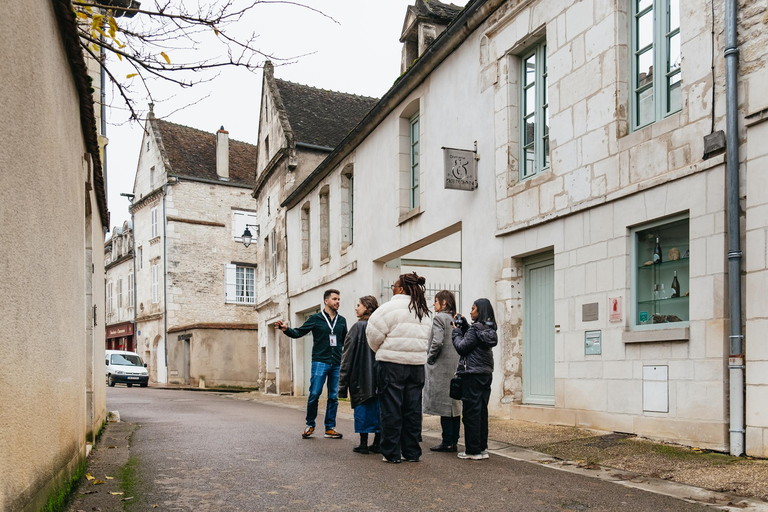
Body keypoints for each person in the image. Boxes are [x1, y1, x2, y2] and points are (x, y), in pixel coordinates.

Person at [366, 272, 432, 463]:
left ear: (401, 289)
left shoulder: (388, 309)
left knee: (391, 409)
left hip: (391, 364)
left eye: (394, 286)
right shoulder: (423, 311)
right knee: (412, 410)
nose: (392, 289)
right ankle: (411, 452)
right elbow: (427, 338)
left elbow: (373, 335)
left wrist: (382, 351)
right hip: (417, 366)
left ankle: (392, 452)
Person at [275, 289, 347, 439]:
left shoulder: (342, 321)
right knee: (314, 393)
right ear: (326, 301)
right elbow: (298, 332)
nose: (337, 302)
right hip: (320, 361)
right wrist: (286, 329)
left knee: (333, 396)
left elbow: (346, 341)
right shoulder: (315, 318)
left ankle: (330, 428)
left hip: (336, 363)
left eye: (339, 299)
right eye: (334, 299)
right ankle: (310, 425)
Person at [452, 298, 498, 460]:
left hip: (471, 375)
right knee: (481, 412)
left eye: (473, 309)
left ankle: (473, 451)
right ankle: (482, 448)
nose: (471, 312)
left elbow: (462, 347)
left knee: (471, 413)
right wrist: (464, 325)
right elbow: (474, 341)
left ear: (480, 311)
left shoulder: (475, 329)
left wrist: (457, 331)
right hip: (485, 374)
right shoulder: (488, 329)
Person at [338, 295, 381, 454]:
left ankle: (363, 443)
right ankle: (378, 442)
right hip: (379, 377)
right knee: (378, 410)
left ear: (367, 307)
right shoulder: (378, 326)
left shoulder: (357, 328)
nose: (356, 308)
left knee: (362, 410)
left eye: (359, 305)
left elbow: (347, 357)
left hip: (360, 378)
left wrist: (342, 385)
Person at [423, 290, 462, 452]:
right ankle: (454, 440)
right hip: (455, 365)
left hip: (441, 367)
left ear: (444, 303)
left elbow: (437, 342)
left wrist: (430, 358)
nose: (434, 304)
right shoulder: (456, 318)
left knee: (445, 406)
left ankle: (447, 441)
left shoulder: (439, 318)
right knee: (454, 404)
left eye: (436, 301)